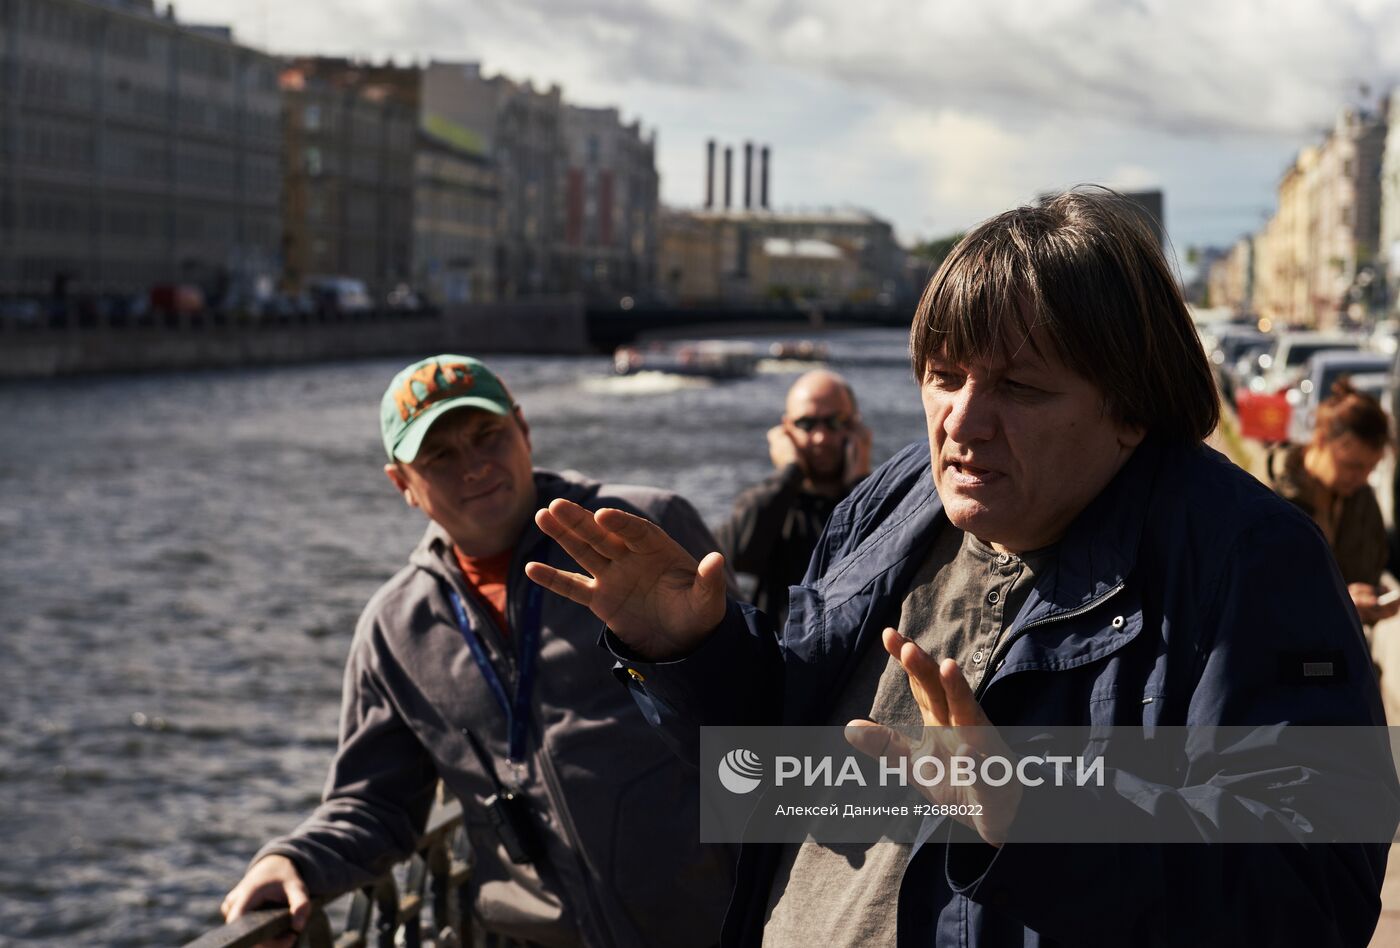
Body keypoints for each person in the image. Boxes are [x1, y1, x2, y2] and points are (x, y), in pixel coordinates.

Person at [525, 190, 1394, 946]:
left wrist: (1030, 812)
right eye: (944, 376)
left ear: (1130, 408)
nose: (962, 422)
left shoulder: (1248, 561)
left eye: (1020, 389)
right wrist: (695, 652)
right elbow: (786, 780)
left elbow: (1312, 898)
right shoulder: (893, 499)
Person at [220, 354, 732, 948]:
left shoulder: (635, 531)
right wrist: (293, 860)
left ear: (523, 430)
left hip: (723, 926)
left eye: (487, 434)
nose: (474, 466)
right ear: (402, 485)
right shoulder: (394, 629)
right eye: (439, 455)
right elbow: (376, 802)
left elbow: (765, 710)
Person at [716, 370, 871, 627]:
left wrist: (861, 485)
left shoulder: (876, 501)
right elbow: (734, 556)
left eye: (834, 422)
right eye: (806, 424)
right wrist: (789, 474)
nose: (821, 437)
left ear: (855, 427)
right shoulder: (774, 504)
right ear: (786, 430)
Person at [1268, 377, 1397, 625]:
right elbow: (1260, 597)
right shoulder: (1272, 499)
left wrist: (1376, 597)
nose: (1362, 478)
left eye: (1371, 468)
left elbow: (1369, 569)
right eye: (1352, 466)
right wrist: (1339, 603)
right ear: (1320, 440)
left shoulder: (1361, 497)